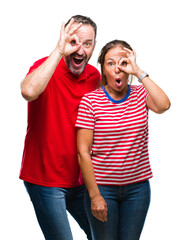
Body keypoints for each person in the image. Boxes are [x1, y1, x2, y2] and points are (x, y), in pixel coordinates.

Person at [76, 39, 171, 240]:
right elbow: (83, 151)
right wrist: (95, 196)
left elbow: (163, 106)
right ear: (102, 68)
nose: (117, 69)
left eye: (123, 63)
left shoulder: (140, 94)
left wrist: (139, 72)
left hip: (138, 190)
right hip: (102, 188)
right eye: (111, 63)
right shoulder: (90, 101)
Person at [19, 15, 100, 240]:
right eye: (73, 41)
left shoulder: (95, 77)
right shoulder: (44, 67)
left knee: (104, 234)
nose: (80, 50)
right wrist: (58, 51)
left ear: (94, 45)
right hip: (45, 180)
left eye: (87, 43)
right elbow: (28, 91)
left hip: (81, 179)